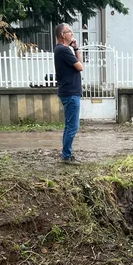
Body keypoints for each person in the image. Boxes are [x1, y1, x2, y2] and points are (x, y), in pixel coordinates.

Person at [53, 23, 84, 163]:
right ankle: (66, 155)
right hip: (70, 92)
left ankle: (67, 154)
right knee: (73, 126)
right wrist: (73, 49)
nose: (72, 33)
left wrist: (76, 48)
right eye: (69, 31)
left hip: (69, 91)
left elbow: (79, 63)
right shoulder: (63, 50)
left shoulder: (63, 50)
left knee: (69, 125)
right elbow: (80, 66)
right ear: (62, 35)